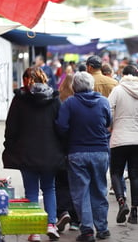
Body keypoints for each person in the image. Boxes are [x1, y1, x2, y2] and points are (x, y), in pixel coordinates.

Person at [2, 67, 64, 242]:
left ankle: (34, 231)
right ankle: (51, 224)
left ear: (26, 80)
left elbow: (11, 126)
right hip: (50, 152)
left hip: (26, 151)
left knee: (31, 190)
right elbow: (61, 125)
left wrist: (9, 146)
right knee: (49, 188)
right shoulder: (54, 98)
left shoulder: (20, 99)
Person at [56, 71, 112, 241]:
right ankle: (102, 228)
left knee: (81, 192)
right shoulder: (103, 101)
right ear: (91, 85)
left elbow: (61, 127)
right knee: (99, 190)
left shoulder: (69, 103)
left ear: (74, 87)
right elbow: (109, 122)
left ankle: (87, 230)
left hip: (77, 153)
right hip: (100, 152)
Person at [108, 64, 138, 225]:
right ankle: (134, 211)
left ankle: (122, 201)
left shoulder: (118, 90)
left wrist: (113, 125)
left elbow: (108, 111)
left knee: (116, 172)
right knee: (135, 174)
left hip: (119, 137)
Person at [55, 73, 80, 232]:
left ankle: (62, 211)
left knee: (60, 183)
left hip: (60, 149)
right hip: (77, 147)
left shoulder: (58, 101)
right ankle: (76, 220)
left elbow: (58, 126)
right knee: (76, 184)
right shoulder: (78, 101)